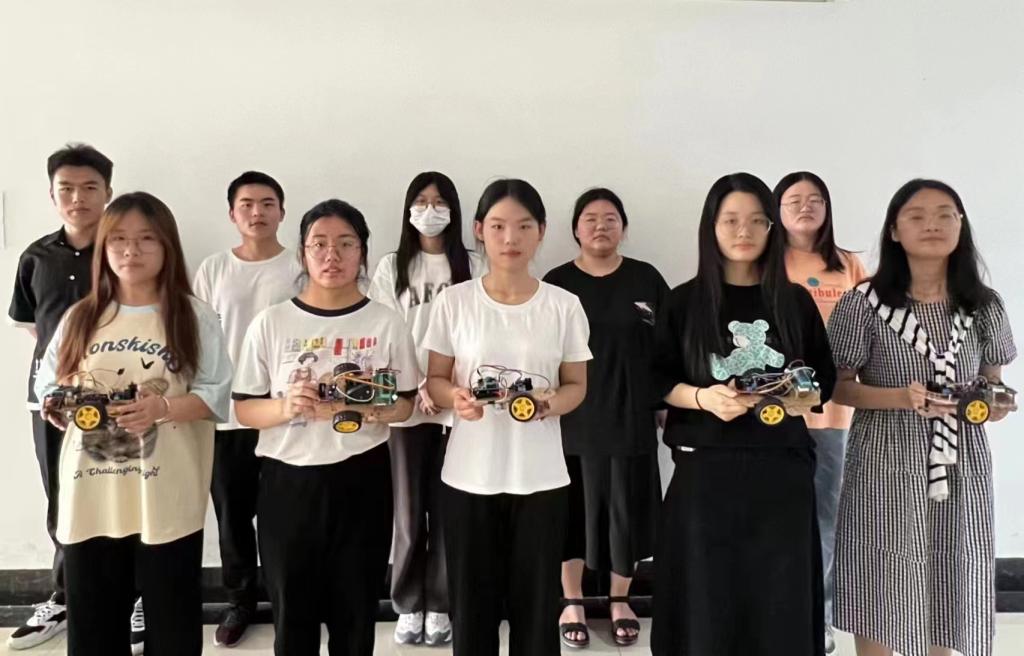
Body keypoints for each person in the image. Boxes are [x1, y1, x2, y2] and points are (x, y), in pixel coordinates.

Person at [35, 191, 232, 656]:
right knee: (93, 630)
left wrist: (162, 408)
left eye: (146, 239)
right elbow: (47, 386)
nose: (131, 250)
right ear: (103, 248)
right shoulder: (81, 316)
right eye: (119, 239)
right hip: (91, 498)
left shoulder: (193, 315)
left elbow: (216, 395)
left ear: (167, 246)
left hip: (166, 498)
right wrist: (56, 403)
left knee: (172, 627)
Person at [827, 179, 1016, 656]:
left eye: (945, 214)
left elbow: (993, 384)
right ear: (894, 231)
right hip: (883, 457)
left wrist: (995, 403)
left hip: (960, 462)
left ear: (960, 225)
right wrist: (901, 397)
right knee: (877, 568)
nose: (932, 224)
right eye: (916, 215)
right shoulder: (863, 303)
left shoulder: (983, 305)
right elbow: (838, 385)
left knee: (950, 566)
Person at [651, 172, 835, 656]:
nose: (743, 231)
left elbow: (824, 380)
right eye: (731, 220)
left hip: (781, 473)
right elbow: (656, 379)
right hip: (705, 474)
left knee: (779, 602)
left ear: (772, 228)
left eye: (757, 220)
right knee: (706, 602)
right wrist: (703, 398)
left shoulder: (794, 301)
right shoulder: (684, 301)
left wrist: (788, 396)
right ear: (711, 227)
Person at [233, 199, 419, 656]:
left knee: (355, 616)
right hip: (288, 484)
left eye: (345, 244)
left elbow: (406, 405)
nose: (331, 255)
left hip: (362, 479)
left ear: (362, 253)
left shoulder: (386, 322)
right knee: (292, 619)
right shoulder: (271, 322)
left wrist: (371, 409)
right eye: (319, 244)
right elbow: (244, 410)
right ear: (302, 253)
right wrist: (287, 406)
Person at [543, 187, 668, 648]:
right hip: (571, 421)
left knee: (625, 516)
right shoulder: (557, 283)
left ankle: (620, 599)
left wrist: (665, 406)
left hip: (631, 418)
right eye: (590, 218)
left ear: (624, 228)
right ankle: (572, 601)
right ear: (575, 229)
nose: (601, 226)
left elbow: (666, 349)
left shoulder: (646, 278)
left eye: (611, 218)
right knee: (571, 514)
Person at [6, 143, 118, 651]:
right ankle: (65, 595)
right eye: (67, 189)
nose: (78, 198)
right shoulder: (36, 257)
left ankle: (130, 595)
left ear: (107, 192)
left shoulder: (124, 250)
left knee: (118, 491)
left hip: (116, 397)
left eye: (90, 187)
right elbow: (34, 326)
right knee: (61, 497)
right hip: (52, 402)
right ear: (52, 196)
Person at [367, 171, 485, 646]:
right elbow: (381, 332)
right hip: (406, 405)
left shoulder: (473, 264)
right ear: (407, 209)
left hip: (459, 406)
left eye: (439, 201)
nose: (430, 210)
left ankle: (440, 602)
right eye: (421, 200)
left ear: (454, 210)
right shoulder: (391, 266)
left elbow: (480, 332)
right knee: (409, 512)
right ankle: (407, 602)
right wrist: (414, 385)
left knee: (451, 510)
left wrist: (447, 388)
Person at [192, 170, 302, 647]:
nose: (257, 213)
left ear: (282, 211)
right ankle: (240, 601)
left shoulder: (300, 265)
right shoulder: (214, 269)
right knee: (233, 517)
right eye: (247, 205)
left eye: (267, 203)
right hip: (228, 415)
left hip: (286, 413)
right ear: (232, 214)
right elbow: (197, 336)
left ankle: (290, 598)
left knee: (285, 516)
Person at [773, 170, 868, 654]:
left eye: (815, 199)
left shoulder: (848, 265)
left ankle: (820, 617)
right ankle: (777, 611)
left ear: (827, 209)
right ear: (777, 210)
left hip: (833, 417)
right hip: (776, 414)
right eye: (794, 199)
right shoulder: (766, 262)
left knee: (826, 517)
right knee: (775, 516)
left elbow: (874, 326)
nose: (805, 207)